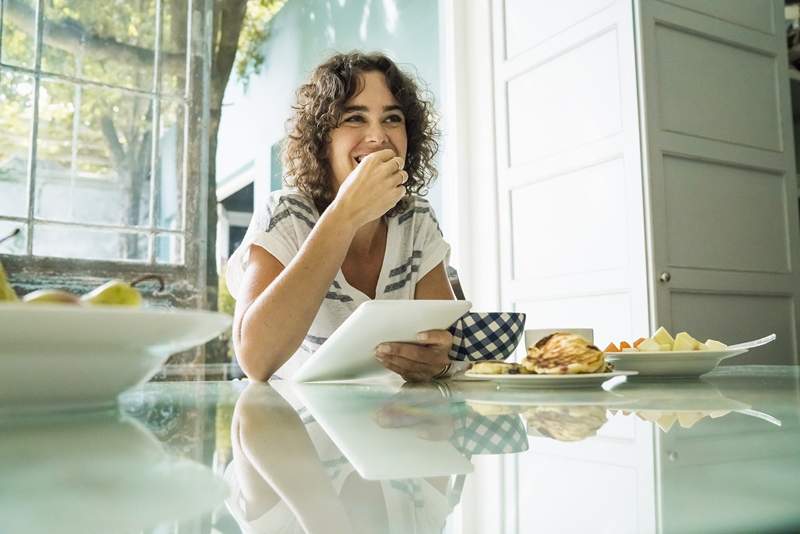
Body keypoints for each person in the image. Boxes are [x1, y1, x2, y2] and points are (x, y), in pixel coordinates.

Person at [226, 51, 456, 382]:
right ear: (323, 140)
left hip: (389, 425)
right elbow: (256, 361)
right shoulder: (285, 215)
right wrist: (345, 215)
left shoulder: (415, 220)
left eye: (392, 118)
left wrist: (439, 362)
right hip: (293, 424)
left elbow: (444, 347)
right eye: (355, 118)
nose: (378, 137)